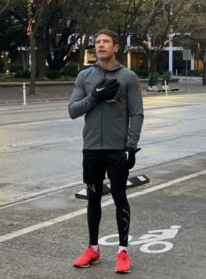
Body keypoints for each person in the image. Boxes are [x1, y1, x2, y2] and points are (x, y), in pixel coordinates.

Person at [68, 29, 144, 274]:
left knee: (120, 197)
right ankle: (93, 249)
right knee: (93, 199)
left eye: (105, 42)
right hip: (91, 149)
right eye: (97, 41)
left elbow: (136, 114)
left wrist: (131, 147)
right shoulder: (85, 75)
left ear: (116, 47)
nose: (100, 45)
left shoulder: (128, 77)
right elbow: (72, 110)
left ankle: (122, 251)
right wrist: (95, 96)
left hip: (116, 149)